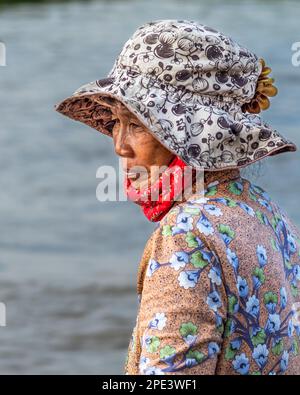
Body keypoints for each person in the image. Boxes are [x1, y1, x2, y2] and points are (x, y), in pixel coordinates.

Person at [54, 19, 300, 375]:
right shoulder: (267, 213)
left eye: (136, 125)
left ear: (191, 138)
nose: (120, 146)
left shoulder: (187, 236)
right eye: (116, 123)